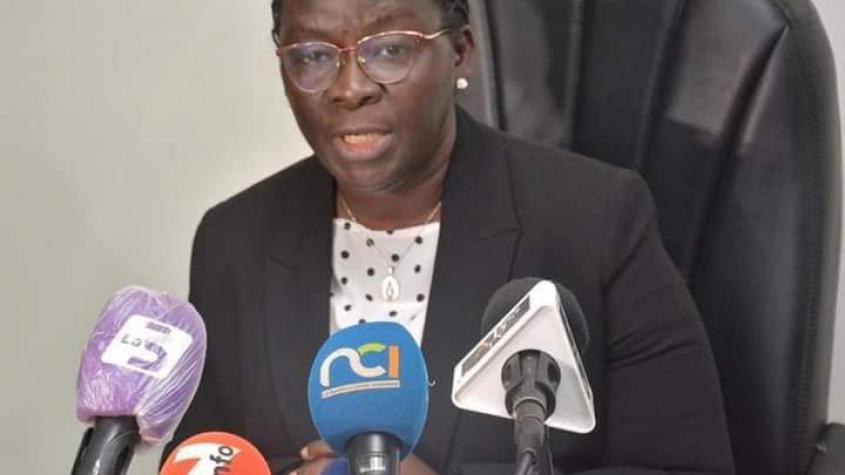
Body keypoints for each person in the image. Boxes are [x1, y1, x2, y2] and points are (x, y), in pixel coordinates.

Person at [163, 0, 735, 473]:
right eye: (312, 56)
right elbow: (199, 459)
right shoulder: (234, 240)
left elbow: (683, 467)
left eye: (390, 49)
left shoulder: (596, 220)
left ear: (460, 50)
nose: (349, 88)